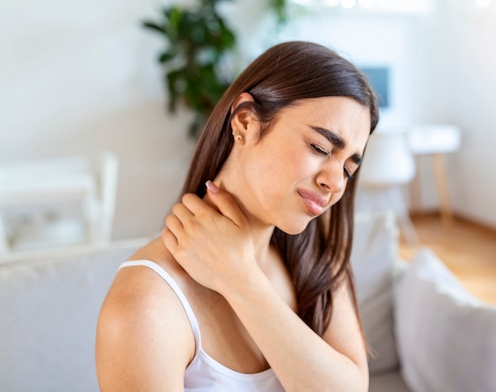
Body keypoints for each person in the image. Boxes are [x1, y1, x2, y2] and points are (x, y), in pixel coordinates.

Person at [95, 40, 379, 392]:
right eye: (320, 148)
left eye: (349, 168)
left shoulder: (316, 258)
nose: (335, 183)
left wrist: (240, 277)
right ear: (245, 121)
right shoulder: (146, 303)